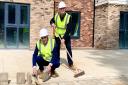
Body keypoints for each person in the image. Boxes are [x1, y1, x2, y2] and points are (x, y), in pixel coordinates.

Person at [50, 1, 75, 68]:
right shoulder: (56, 16)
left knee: (68, 48)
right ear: (59, 9)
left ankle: (70, 63)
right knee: (57, 48)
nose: (62, 9)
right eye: (61, 8)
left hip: (66, 35)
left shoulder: (68, 17)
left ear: (65, 8)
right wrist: (52, 23)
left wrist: (64, 38)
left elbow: (69, 29)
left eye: (63, 8)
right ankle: (57, 61)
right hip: (57, 35)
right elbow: (51, 20)